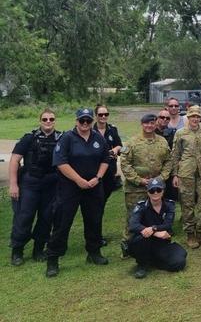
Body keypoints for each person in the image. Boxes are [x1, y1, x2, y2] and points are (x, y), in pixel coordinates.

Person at [45, 108, 111, 277]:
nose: (85, 124)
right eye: (82, 120)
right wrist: (78, 180)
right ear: (76, 121)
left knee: (94, 220)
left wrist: (97, 178)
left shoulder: (98, 137)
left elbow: (105, 159)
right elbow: (60, 162)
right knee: (62, 222)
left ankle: (94, 253)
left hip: (94, 186)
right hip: (70, 187)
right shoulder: (67, 138)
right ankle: (53, 259)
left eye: (88, 120)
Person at [9, 108, 62, 266]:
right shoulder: (29, 138)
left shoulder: (61, 138)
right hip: (30, 183)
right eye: (45, 119)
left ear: (55, 121)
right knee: (24, 216)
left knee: (46, 218)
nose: (48, 122)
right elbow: (14, 160)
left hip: (51, 184)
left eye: (51, 119)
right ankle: (17, 250)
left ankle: (38, 249)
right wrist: (13, 184)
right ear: (40, 121)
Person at [120, 113, 172, 257]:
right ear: (142, 124)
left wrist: (161, 178)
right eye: (146, 123)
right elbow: (125, 164)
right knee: (133, 217)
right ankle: (128, 245)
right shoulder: (132, 142)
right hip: (136, 188)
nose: (149, 126)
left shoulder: (162, 142)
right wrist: (139, 180)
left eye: (152, 123)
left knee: (155, 216)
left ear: (156, 124)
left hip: (156, 189)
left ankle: (151, 243)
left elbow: (169, 161)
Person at [170, 105, 201, 248]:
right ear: (188, 118)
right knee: (187, 203)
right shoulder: (180, 133)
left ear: (200, 118)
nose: (195, 119)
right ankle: (190, 234)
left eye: (197, 116)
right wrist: (175, 174)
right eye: (192, 116)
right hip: (185, 173)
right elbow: (175, 155)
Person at [127, 177, 187, 279]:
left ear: (163, 191)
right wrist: (154, 232)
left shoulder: (169, 205)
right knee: (141, 238)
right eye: (152, 190)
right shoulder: (141, 206)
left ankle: (153, 262)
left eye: (158, 190)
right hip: (144, 242)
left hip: (160, 243)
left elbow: (168, 225)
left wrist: (153, 228)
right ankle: (142, 265)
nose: (155, 193)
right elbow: (133, 225)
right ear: (148, 192)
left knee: (179, 263)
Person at [93, 104, 123, 245]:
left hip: (110, 173)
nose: (103, 117)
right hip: (95, 173)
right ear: (96, 116)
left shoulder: (112, 130)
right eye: (100, 115)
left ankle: (97, 235)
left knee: (101, 204)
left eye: (106, 114)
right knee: (96, 205)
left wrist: (115, 150)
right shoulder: (90, 130)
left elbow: (119, 145)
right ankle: (96, 237)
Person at [155, 109, 179, 201]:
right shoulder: (151, 131)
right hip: (154, 167)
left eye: (167, 118)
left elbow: (175, 153)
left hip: (168, 168)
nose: (165, 119)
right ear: (157, 118)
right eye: (162, 117)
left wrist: (175, 174)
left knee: (171, 198)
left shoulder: (172, 133)